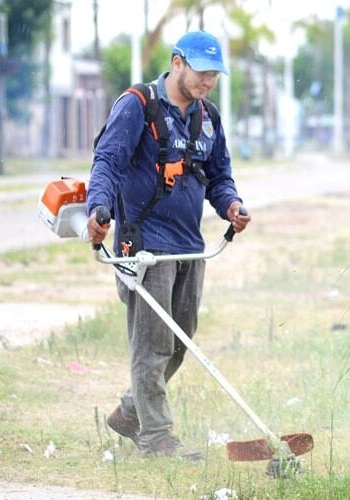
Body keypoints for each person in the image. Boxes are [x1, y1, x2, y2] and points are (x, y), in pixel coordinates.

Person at [85, 31, 251, 459]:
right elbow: (108, 161)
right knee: (153, 343)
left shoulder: (208, 116)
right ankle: (157, 439)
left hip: (188, 245)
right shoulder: (137, 105)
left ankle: (129, 412)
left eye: (214, 74)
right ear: (177, 62)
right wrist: (99, 209)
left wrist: (231, 205)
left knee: (181, 339)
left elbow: (219, 176)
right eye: (202, 72)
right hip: (143, 245)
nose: (208, 81)